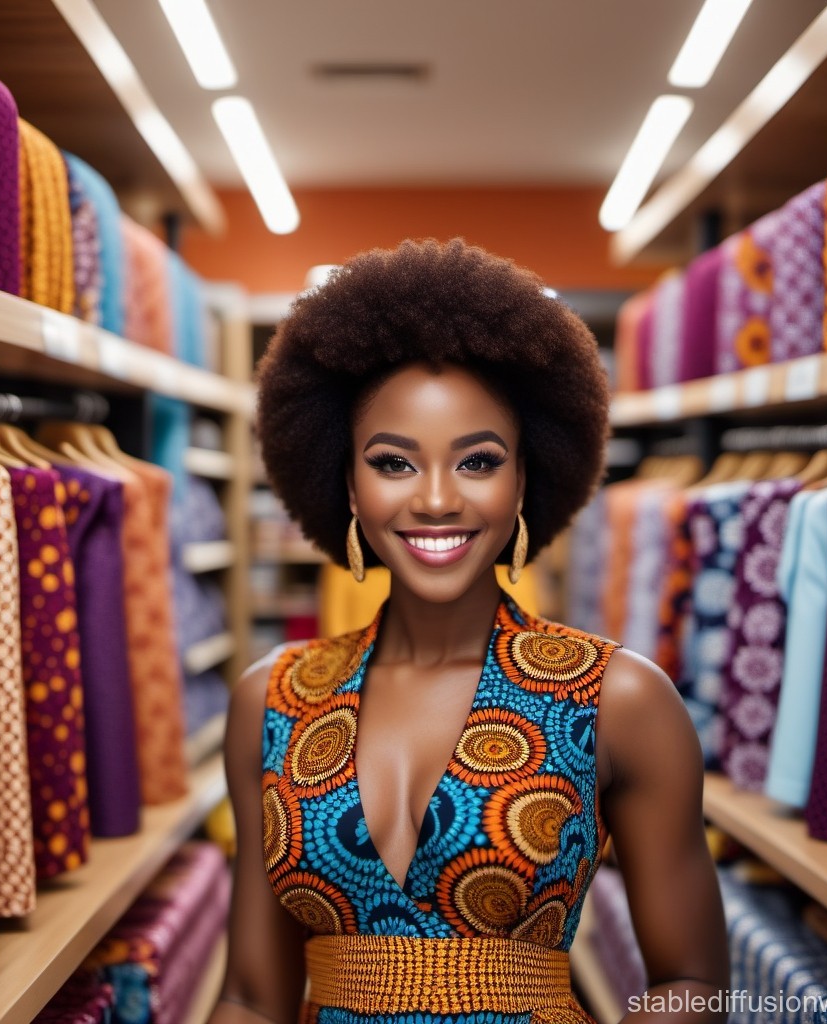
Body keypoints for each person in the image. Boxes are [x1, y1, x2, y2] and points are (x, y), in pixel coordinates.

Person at [211, 238, 729, 1024]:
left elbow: (693, 983)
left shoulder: (616, 699)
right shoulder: (273, 701)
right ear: (345, 481)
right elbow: (252, 998)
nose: (437, 500)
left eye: (478, 462)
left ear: (526, 476)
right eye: (393, 464)